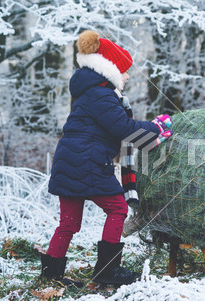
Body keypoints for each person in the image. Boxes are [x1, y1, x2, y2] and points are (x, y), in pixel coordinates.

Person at [42, 30, 172, 286]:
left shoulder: (88, 92)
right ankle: (107, 271)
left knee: (68, 224)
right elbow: (123, 127)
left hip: (69, 161)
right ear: (109, 69)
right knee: (117, 208)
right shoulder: (101, 94)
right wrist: (157, 129)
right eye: (123, 70)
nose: (126, 76)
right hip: (87, 162)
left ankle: (50, 277)